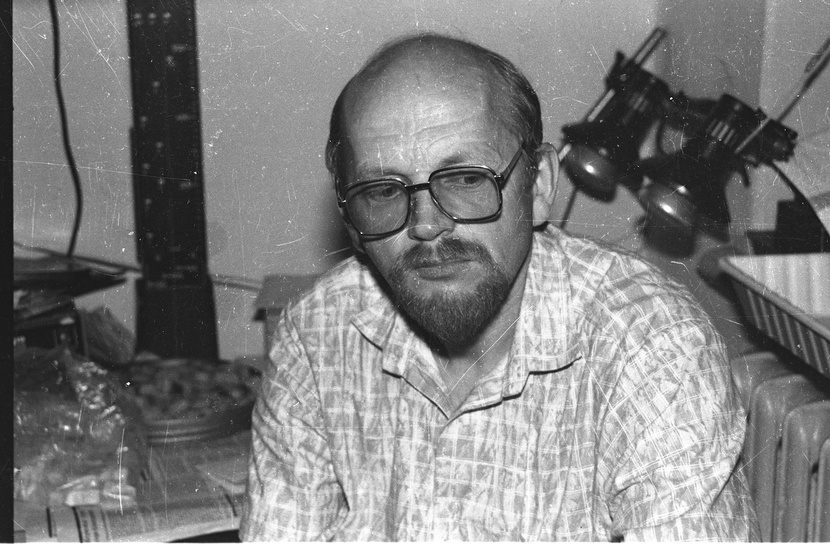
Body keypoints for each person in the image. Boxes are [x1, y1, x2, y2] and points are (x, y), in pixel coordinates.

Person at [240, 33, 758, 541]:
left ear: (539, 185)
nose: (426, 225)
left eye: (466, 179)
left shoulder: (654, 347)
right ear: (351, 219)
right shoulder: (315, 334)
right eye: (382, 191)